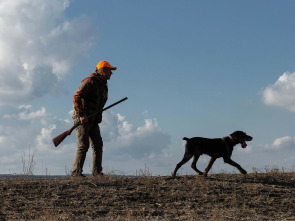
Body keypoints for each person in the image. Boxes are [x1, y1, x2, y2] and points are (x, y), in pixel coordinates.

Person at [71, 60, 117, 177]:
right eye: (109, 71)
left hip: (93, 120)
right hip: (82, 119)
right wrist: (81, 115)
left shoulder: (104, 86)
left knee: (98, 144)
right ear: (103, 71)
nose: (111, 73)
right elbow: (76, 96)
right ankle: (76, 174)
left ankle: (97, 173)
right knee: (83, 146)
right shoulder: (90, 82)